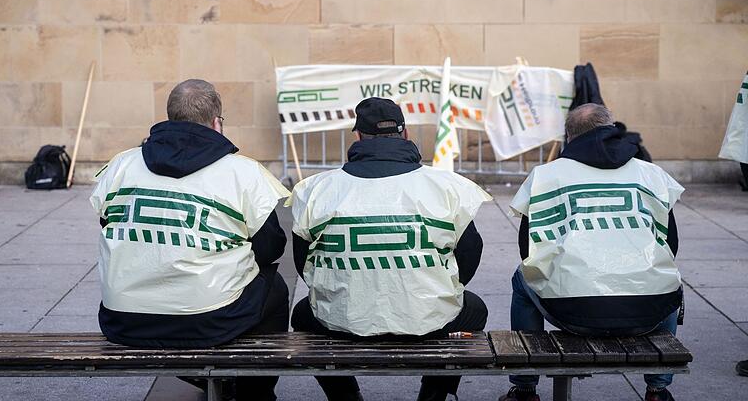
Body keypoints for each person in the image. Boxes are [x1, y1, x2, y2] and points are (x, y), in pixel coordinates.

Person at [90, 79, 290, 401]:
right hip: (207, 321)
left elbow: (107, 223)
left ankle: (207, 381)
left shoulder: (121, 164)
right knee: (275, 288)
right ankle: (256, 393)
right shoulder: (243, 172)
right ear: (216, 123)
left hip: (124, 319)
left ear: (170, 119)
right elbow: (270, 248)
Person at [287, 97, 492, 401]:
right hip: (429, 321)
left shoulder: (315, 189)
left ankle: (346, 397)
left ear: (358, 136)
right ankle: (433, 396)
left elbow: (304, 265)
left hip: (341, 322)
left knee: (304, 313)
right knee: (474, 309)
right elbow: (469, 258)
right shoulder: (447, 186)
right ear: (405, 134)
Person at [499, 103, 684, 401]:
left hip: (571, 311)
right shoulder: (652, 174)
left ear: (570, 137)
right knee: (666, 275)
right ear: (612, 129)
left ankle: (524, 388)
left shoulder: (546, 175)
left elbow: (528, 251)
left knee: (522, 278)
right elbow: (670, 246)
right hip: (646, 311)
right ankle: (658, 388)